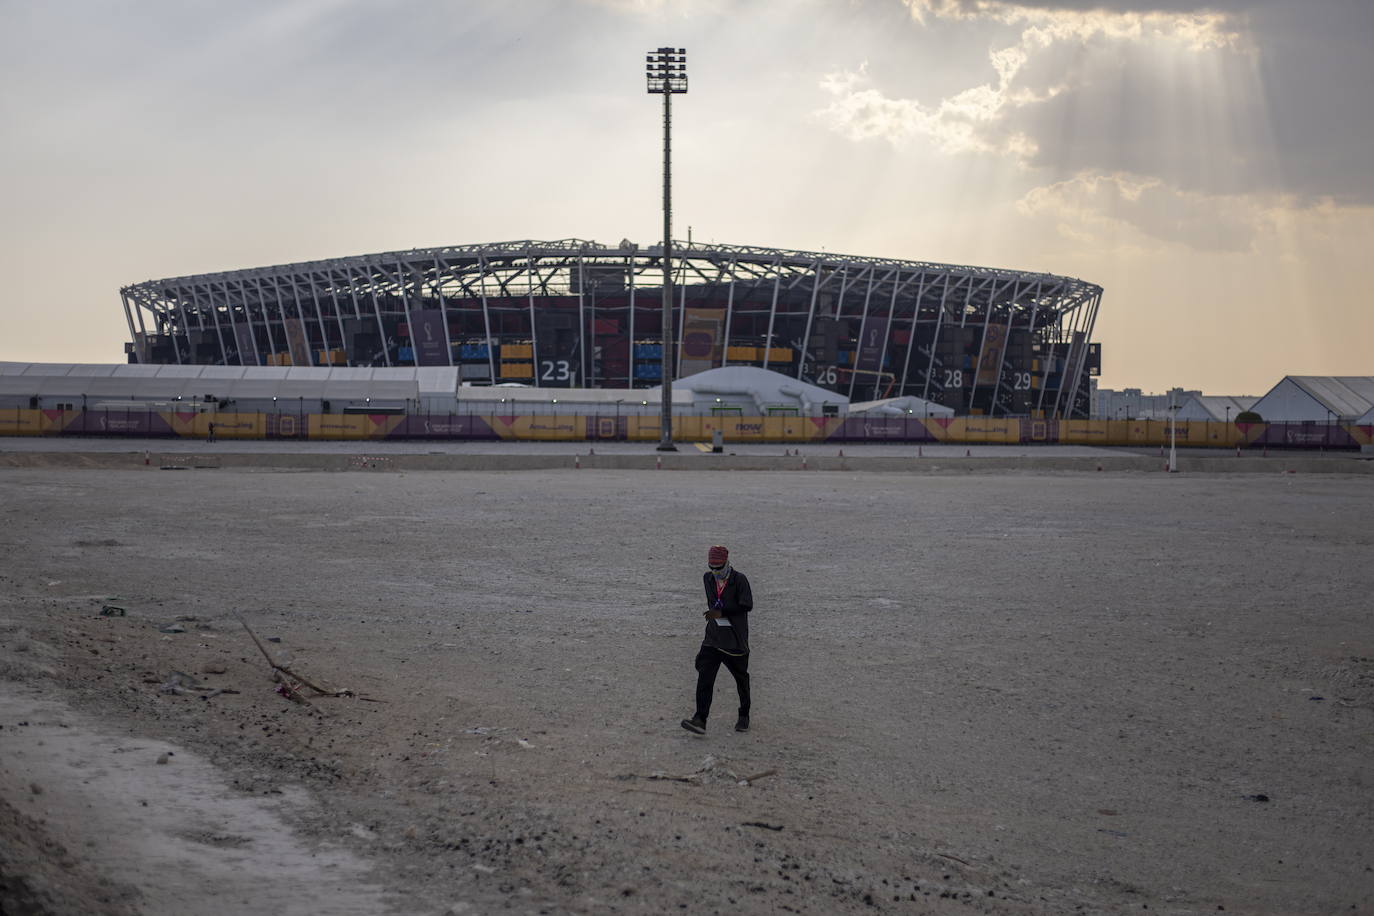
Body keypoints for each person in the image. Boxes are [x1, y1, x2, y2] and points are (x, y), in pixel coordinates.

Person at [681, 545, 753, 735]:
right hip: (713, 637)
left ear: (727, 563)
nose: (715, 572)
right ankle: (700, 719)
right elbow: (712, 602)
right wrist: (716, 613)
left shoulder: (739, 580)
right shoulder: (708, 578)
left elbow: (747, 604)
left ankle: (744, 715)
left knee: (741, 679)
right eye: (711, 567)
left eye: (718, 568)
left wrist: (722, 611)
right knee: (705, 675)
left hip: (735, 639)